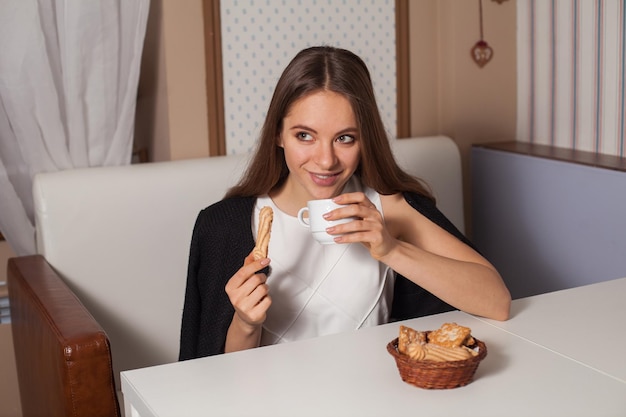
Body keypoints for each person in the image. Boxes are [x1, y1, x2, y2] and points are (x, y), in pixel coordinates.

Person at [179, 46, 510, 360]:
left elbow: (497, 302)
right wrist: (246, 323)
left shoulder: (389, 209)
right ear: (278, 134)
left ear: (365, 140)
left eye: (345, 138)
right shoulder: (224, 227)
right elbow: (220, 376)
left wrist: (391, 249)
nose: (326, 160)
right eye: (304, 135)